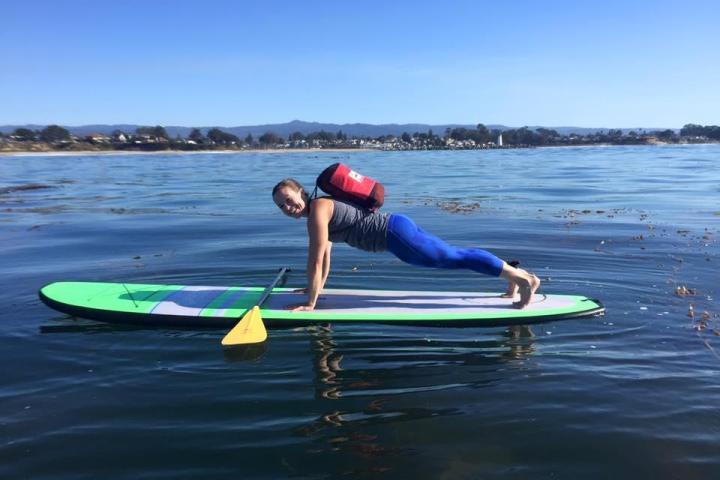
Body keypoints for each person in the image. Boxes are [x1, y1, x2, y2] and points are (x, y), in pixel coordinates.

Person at [272, 178, 540, 312]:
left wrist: (310, 303)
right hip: (397, 228)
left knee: (453, 258)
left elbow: (315, 259)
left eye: (289, 198)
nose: (287, 207)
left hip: (395, 236)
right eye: (281, 205)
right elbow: (326, 256)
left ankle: (521, 279)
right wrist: (315, 288)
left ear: (301, 192)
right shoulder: (321, 207)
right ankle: (518, 277)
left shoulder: (318, 211)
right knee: (454, 254)